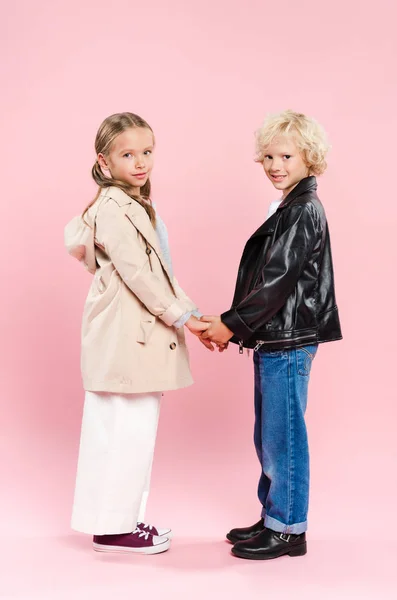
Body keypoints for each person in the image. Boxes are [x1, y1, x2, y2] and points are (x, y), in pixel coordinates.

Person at [64, 112, 214, 555]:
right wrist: (186, 318)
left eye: (147, 152)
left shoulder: (132, 204)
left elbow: (160, 272)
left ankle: (122, 521)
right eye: (128, 154)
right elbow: (141, 275)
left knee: (128, 430)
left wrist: (193, 315)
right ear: (104, 161)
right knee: (121, 430)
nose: (141, 162)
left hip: (133, 335)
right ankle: (113, 530)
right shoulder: (114, 208)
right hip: (126, 336)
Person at [201, 110, 342, 560]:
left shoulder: (302, 209)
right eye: (267, 156)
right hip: (275, 339)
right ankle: (273, 516)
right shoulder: (289, 206)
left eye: (286, 155)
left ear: (309, 157)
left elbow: (276, 281)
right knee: (269, 435)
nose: (275, 165)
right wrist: (241, 327)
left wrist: (230, 324)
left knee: (284, 437)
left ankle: (288, 530)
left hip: (289, 340)